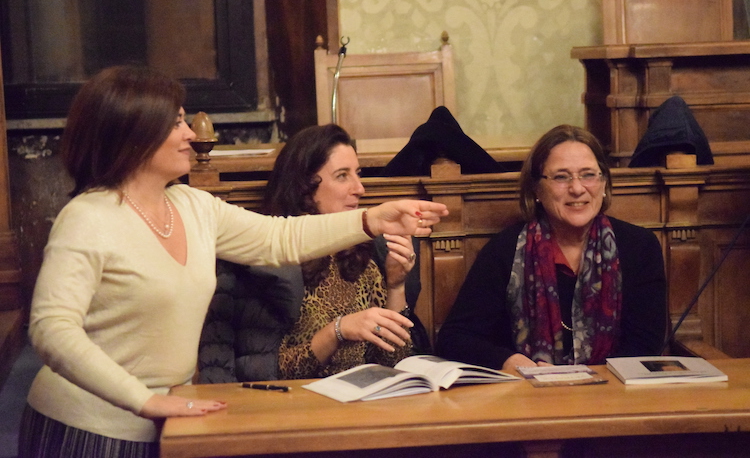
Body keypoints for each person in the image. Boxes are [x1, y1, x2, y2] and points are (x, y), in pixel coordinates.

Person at [18, 65, 447, 458]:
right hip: (87, 428)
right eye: (176, 122)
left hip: (169, 423)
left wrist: (371, 220)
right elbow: (51, 329)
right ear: (135, 132)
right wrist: (143, 400)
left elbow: (279, 238)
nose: (190, 134)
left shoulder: (192, 205)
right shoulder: (88, 217)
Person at [436, 124, 667, 372]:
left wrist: (582, 380)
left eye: (588, 175)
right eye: (561, 177)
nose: (577, 189)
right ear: (536, 189)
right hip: (527, 389)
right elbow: (454, 339)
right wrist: (507, 361)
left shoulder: (639, 247)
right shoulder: (504, 250)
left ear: (603, 184)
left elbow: (645, 346)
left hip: (612, 389)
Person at [263, 124, 422, 379]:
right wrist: (337, 331)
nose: (359, 189)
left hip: (358, 396)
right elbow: (270, 371)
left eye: (357, 174)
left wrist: (396, 285)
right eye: (342, 176)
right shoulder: (276, 256)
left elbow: (393, 362)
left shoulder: (360, 254)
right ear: (305, 185)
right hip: (298, 399)